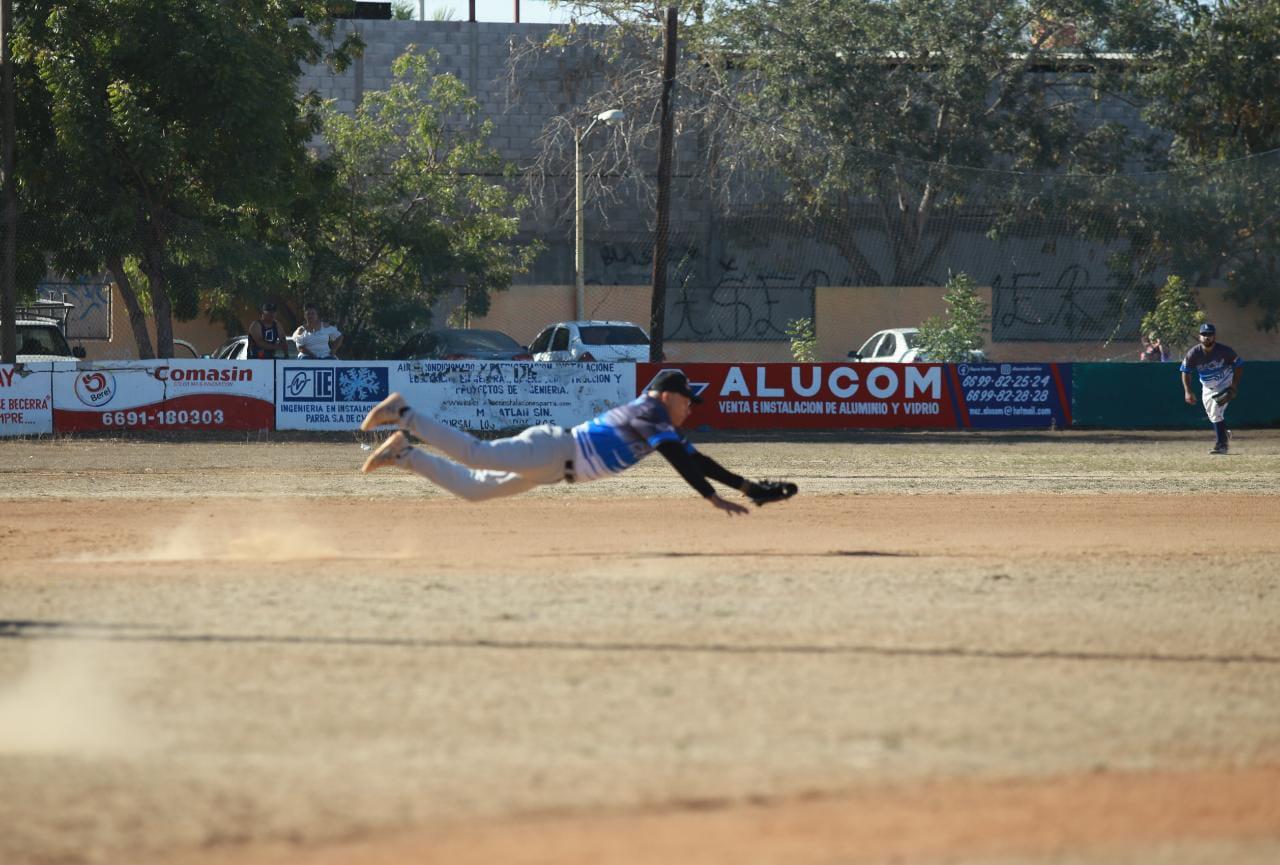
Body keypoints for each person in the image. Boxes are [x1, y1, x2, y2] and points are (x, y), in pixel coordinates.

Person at [358, 369, 798, 514]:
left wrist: (744, 488)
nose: (691, 408)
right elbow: (680, 459)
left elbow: (693, 457)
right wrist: (711, 498)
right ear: (668, 395)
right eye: (688, 400)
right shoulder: (651, 413)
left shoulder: (658, 418)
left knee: (474, 489)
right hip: (555, 450)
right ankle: (405, 413)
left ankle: (404, 453)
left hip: (554, 469)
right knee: (478, 453)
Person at [1180, 322, 1244, 455]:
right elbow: (1185, 371)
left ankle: (1221, 446)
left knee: (1215, 410)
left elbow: (1239, 365)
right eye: (1204, 334)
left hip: (1224, 382)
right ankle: (1223, 435)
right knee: (1213, 415)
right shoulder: (1193, 353)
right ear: (1199, 337)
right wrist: (1188, 391)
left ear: (1214, 336)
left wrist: (1233, 385)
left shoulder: (1225, 351)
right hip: (1207, 387)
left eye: (1209, 334)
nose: (1206, 337)